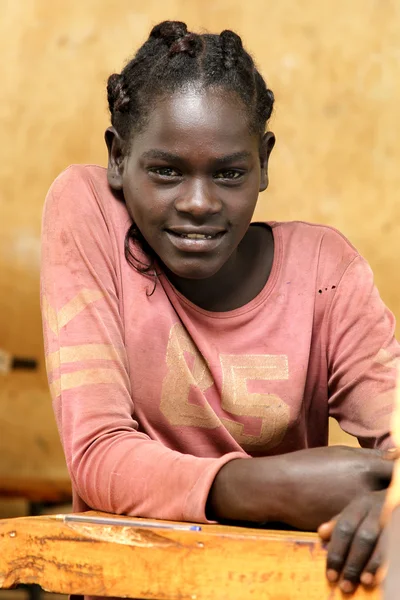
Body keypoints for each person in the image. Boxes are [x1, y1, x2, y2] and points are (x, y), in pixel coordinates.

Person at [41, 21, 400, 594]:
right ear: (117, 157)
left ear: (264, 162)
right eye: (165, 171)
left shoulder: (324, 273)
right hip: (130, 584)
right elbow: (98, 453)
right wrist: (274, 487)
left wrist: (389, 511)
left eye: (230, 173)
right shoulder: (90, 214)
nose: (199, 203)